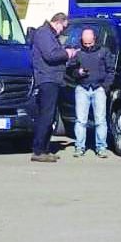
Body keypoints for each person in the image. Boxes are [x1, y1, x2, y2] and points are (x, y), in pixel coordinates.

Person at [30, 12, 76, 163]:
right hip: (47, 80)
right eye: (63, 27)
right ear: (57, 22)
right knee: (46, 115)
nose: (63, 30)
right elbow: (50, 55)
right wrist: (67, 53)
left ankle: (44, 148)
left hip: (54, 79)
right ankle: (38, 150)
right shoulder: (44, 33)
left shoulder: (50, 35)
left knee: (51, 117)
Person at [70, 27, 114, 158]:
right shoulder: (78, 53)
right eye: (85, 43)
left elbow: (110, 70)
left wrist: (105, 87)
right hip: (82, 88)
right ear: (82, 41)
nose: (88, 46)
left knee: (100, 120)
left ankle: (101, 147)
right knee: (80, 120)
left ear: (95, 39)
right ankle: (79, 146)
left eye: (90, 43)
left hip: (98, 88)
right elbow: (70, 70)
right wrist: (78, 73)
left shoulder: (104, 51)